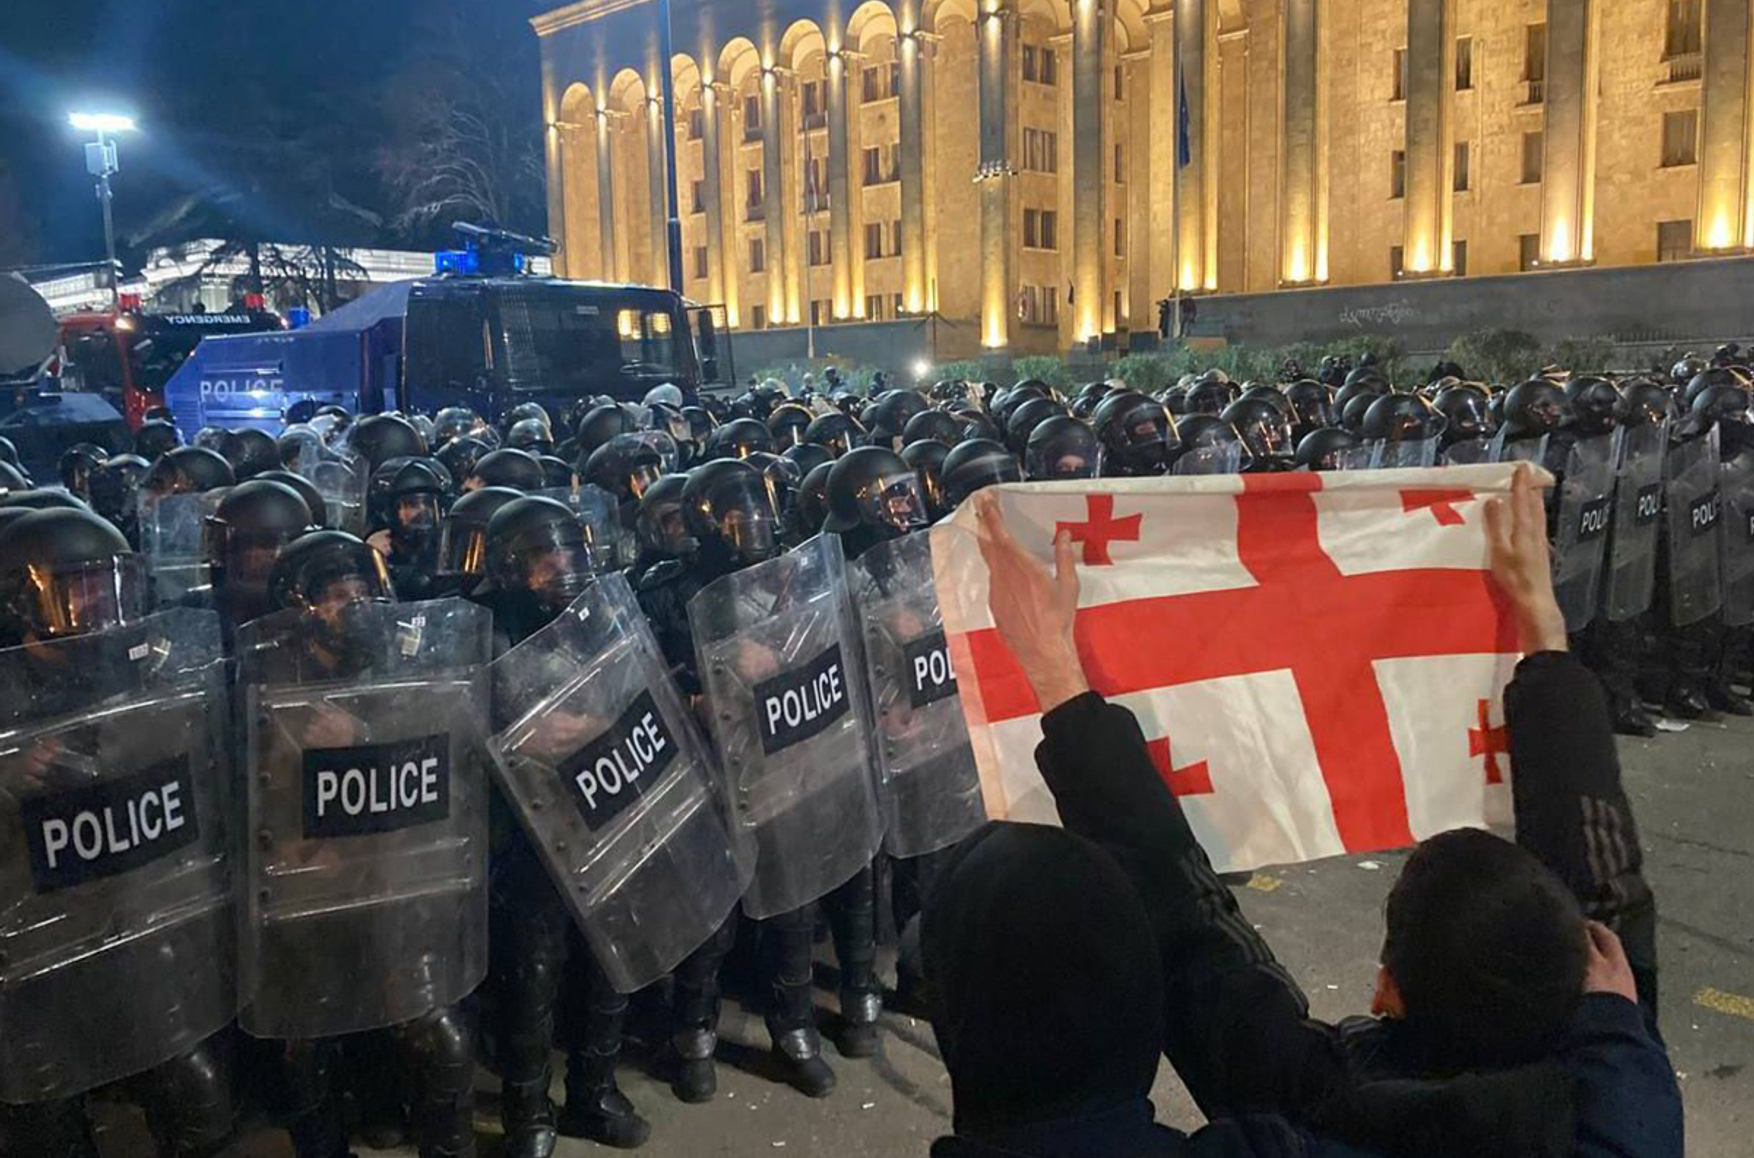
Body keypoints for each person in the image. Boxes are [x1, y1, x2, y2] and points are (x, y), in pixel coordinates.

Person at [961, 470, 1680, 1158]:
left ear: (1387, 991)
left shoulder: (1313, 1109)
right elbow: (1600, 869)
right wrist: (1544, 634)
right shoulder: (1622, 1099)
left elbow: (1189, 930)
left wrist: (1054, 669)